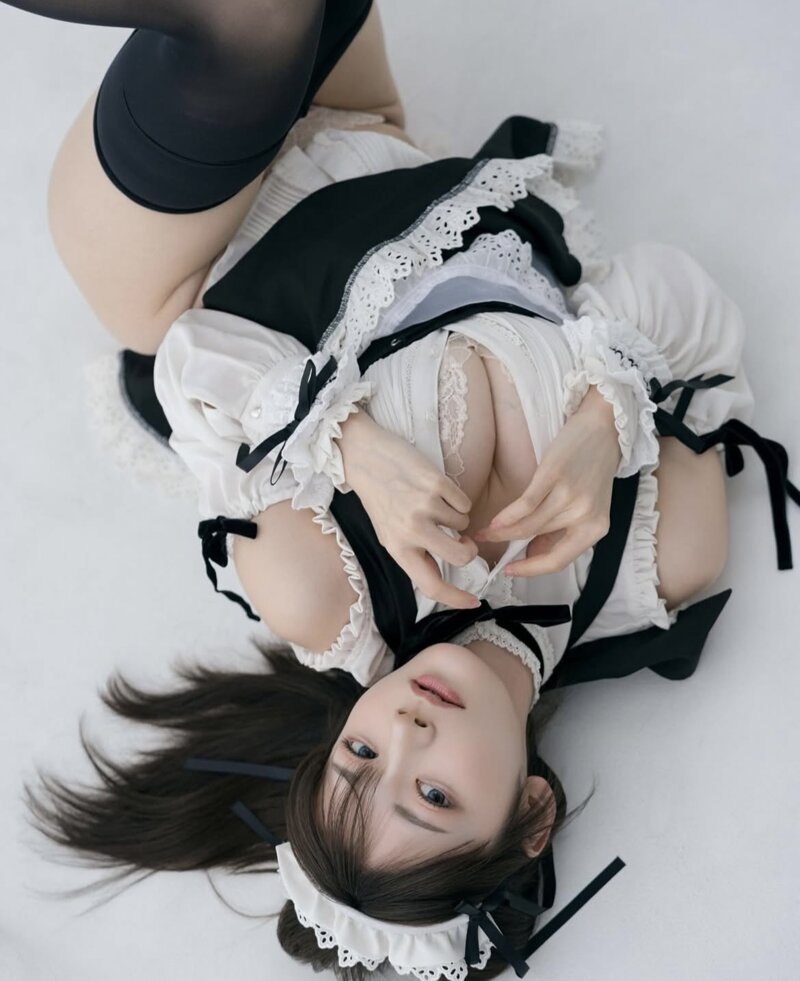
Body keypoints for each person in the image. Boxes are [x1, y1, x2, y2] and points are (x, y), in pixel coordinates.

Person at [11, 1, 799, 978]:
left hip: (178, 256)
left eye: (360, 759)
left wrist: (347, 445)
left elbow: (195, 361)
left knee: (248, 13)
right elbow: (685, 300)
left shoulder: (325, 596)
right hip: (366, 127)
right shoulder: (656, 563)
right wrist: (604, 422)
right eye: (433, 796)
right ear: (531, 814)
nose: (406, 733)